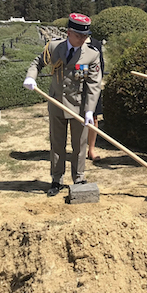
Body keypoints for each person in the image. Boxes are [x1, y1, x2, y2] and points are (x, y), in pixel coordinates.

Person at [23, 13, 102, 197]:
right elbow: (37, 62)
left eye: (85, 36)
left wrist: (90, 111)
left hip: (79, 107)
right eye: (78, 36)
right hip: (56, 103)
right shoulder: (54, 47)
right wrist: (30, 77)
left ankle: (79, 177)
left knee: (79, 144)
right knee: (57, 144)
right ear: (68, 32)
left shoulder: (91, 54)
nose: (82, 39)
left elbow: (94, 84)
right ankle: (57, 179)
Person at [86, 36, 104, 163]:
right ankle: (79, 149)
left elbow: (100, 65)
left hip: (92, 86)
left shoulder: (95, 44)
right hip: (75, 87)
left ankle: (91, 149)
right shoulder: (69, 44)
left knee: (94, 117)